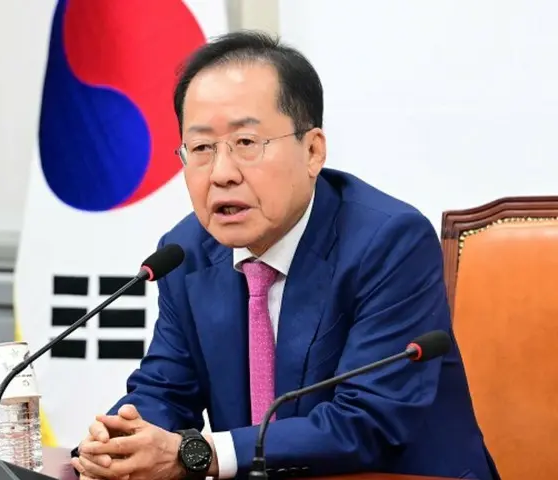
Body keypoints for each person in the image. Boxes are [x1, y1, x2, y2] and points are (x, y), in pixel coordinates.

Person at [70, 31, 500, 480]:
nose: (221, 173)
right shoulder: (187, 253)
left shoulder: (390, 241)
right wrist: (119, 442)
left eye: (246, 143)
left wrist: (198, 453)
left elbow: (367, 421)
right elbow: (165, 389)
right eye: (201, 148)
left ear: (313, 150)